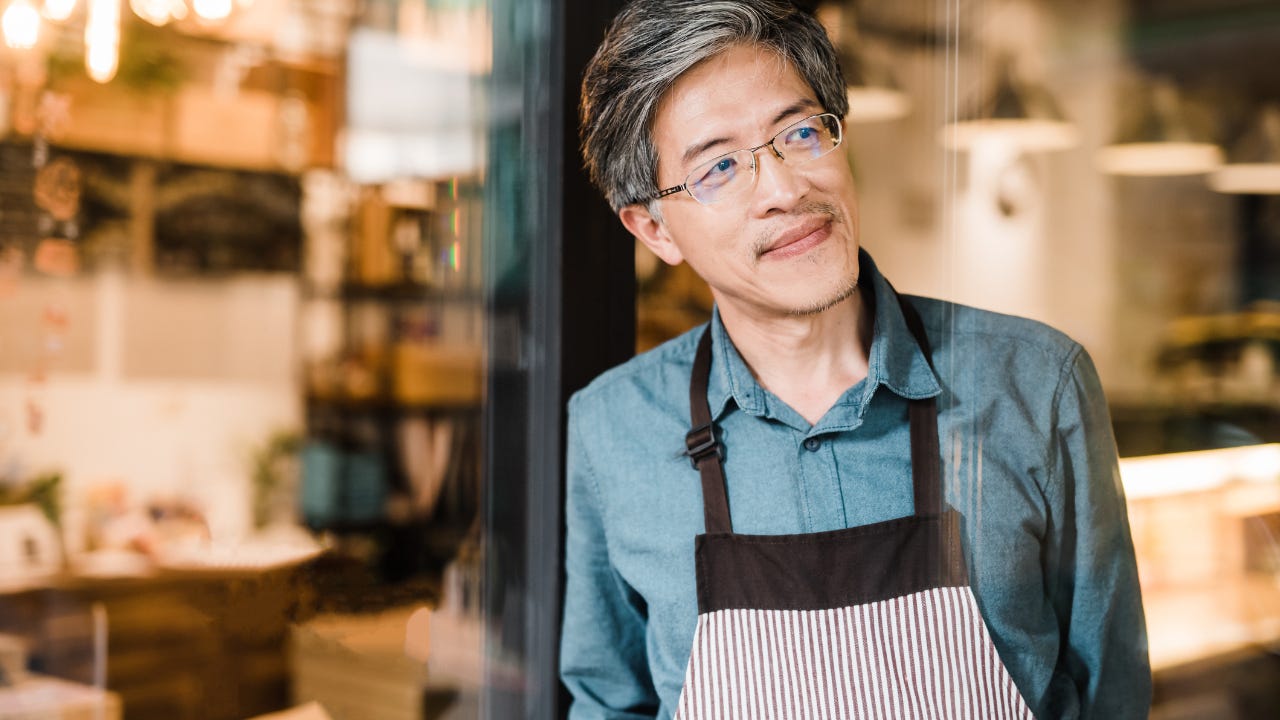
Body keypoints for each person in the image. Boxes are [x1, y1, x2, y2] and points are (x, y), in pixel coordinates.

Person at [561, 1, 1151, 718]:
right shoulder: (611, 429)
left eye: (802, 132)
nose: (785, 189)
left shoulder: (1036, 384)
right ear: (654, 228)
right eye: (719, 167)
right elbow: (608, 703)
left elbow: (1109, 694)